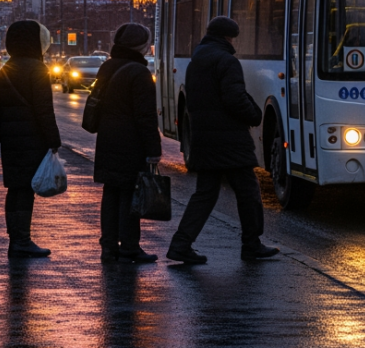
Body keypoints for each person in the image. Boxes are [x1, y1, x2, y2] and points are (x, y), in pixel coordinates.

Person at [167, 16, 278, 264]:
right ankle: (252, 244)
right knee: (248, 192)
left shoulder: (197, 60)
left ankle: (181, 244)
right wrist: (254, 114)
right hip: (229, 140)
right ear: (229, 37)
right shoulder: (226, 61)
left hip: (205, 138)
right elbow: (234, 97)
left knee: (205, 194)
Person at [90, 23, 162, 264]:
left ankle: (108, 247)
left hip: (108, 138)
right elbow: (145, 116)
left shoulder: (107, 66)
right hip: (130, 142)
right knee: (131, 195)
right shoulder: (139, 73)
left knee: (111, 193)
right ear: (142, 45)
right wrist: (153, 150)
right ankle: (130, 246)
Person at [0, 20, 62, 258]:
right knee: (26, 190)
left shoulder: (6, 69)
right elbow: (44, 109)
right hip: (31, 138)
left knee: (15, 189)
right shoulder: (37, 69)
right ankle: (22, 240)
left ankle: (16, 238)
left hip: (10, 140)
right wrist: (53, 139)